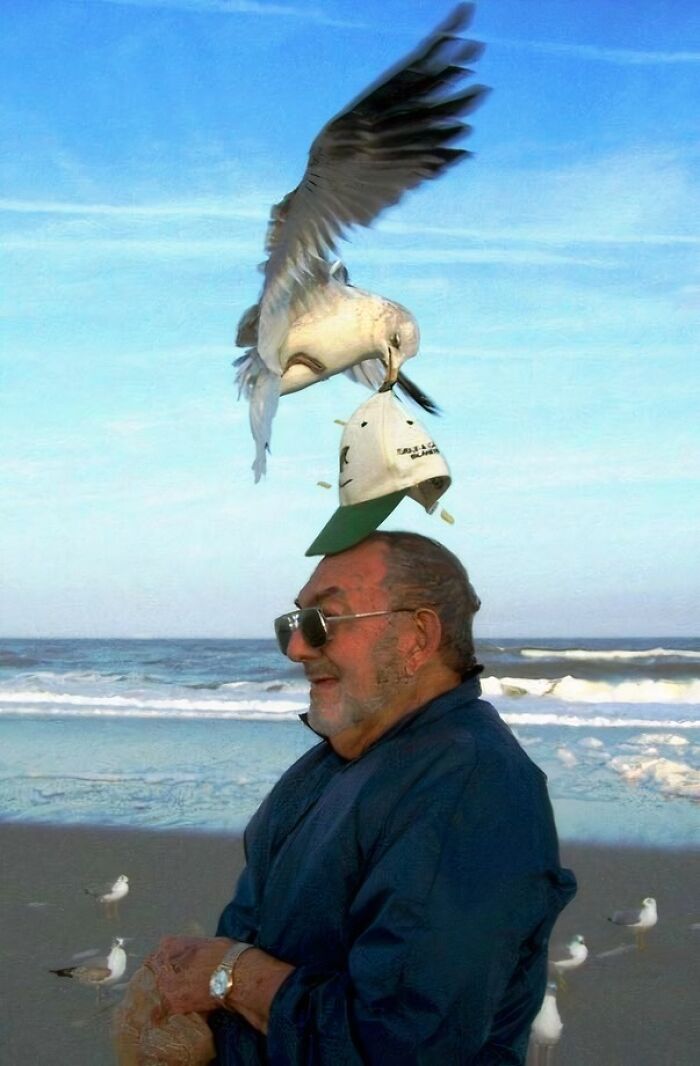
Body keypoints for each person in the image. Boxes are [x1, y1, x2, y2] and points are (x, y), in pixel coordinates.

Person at [144, 532, 576, 1064]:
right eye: (293, 624)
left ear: (417, 637)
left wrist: (231, 976)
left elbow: (401, 1043)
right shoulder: (336, 760)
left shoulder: (468, 790)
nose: (297, 648)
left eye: (323, 622)